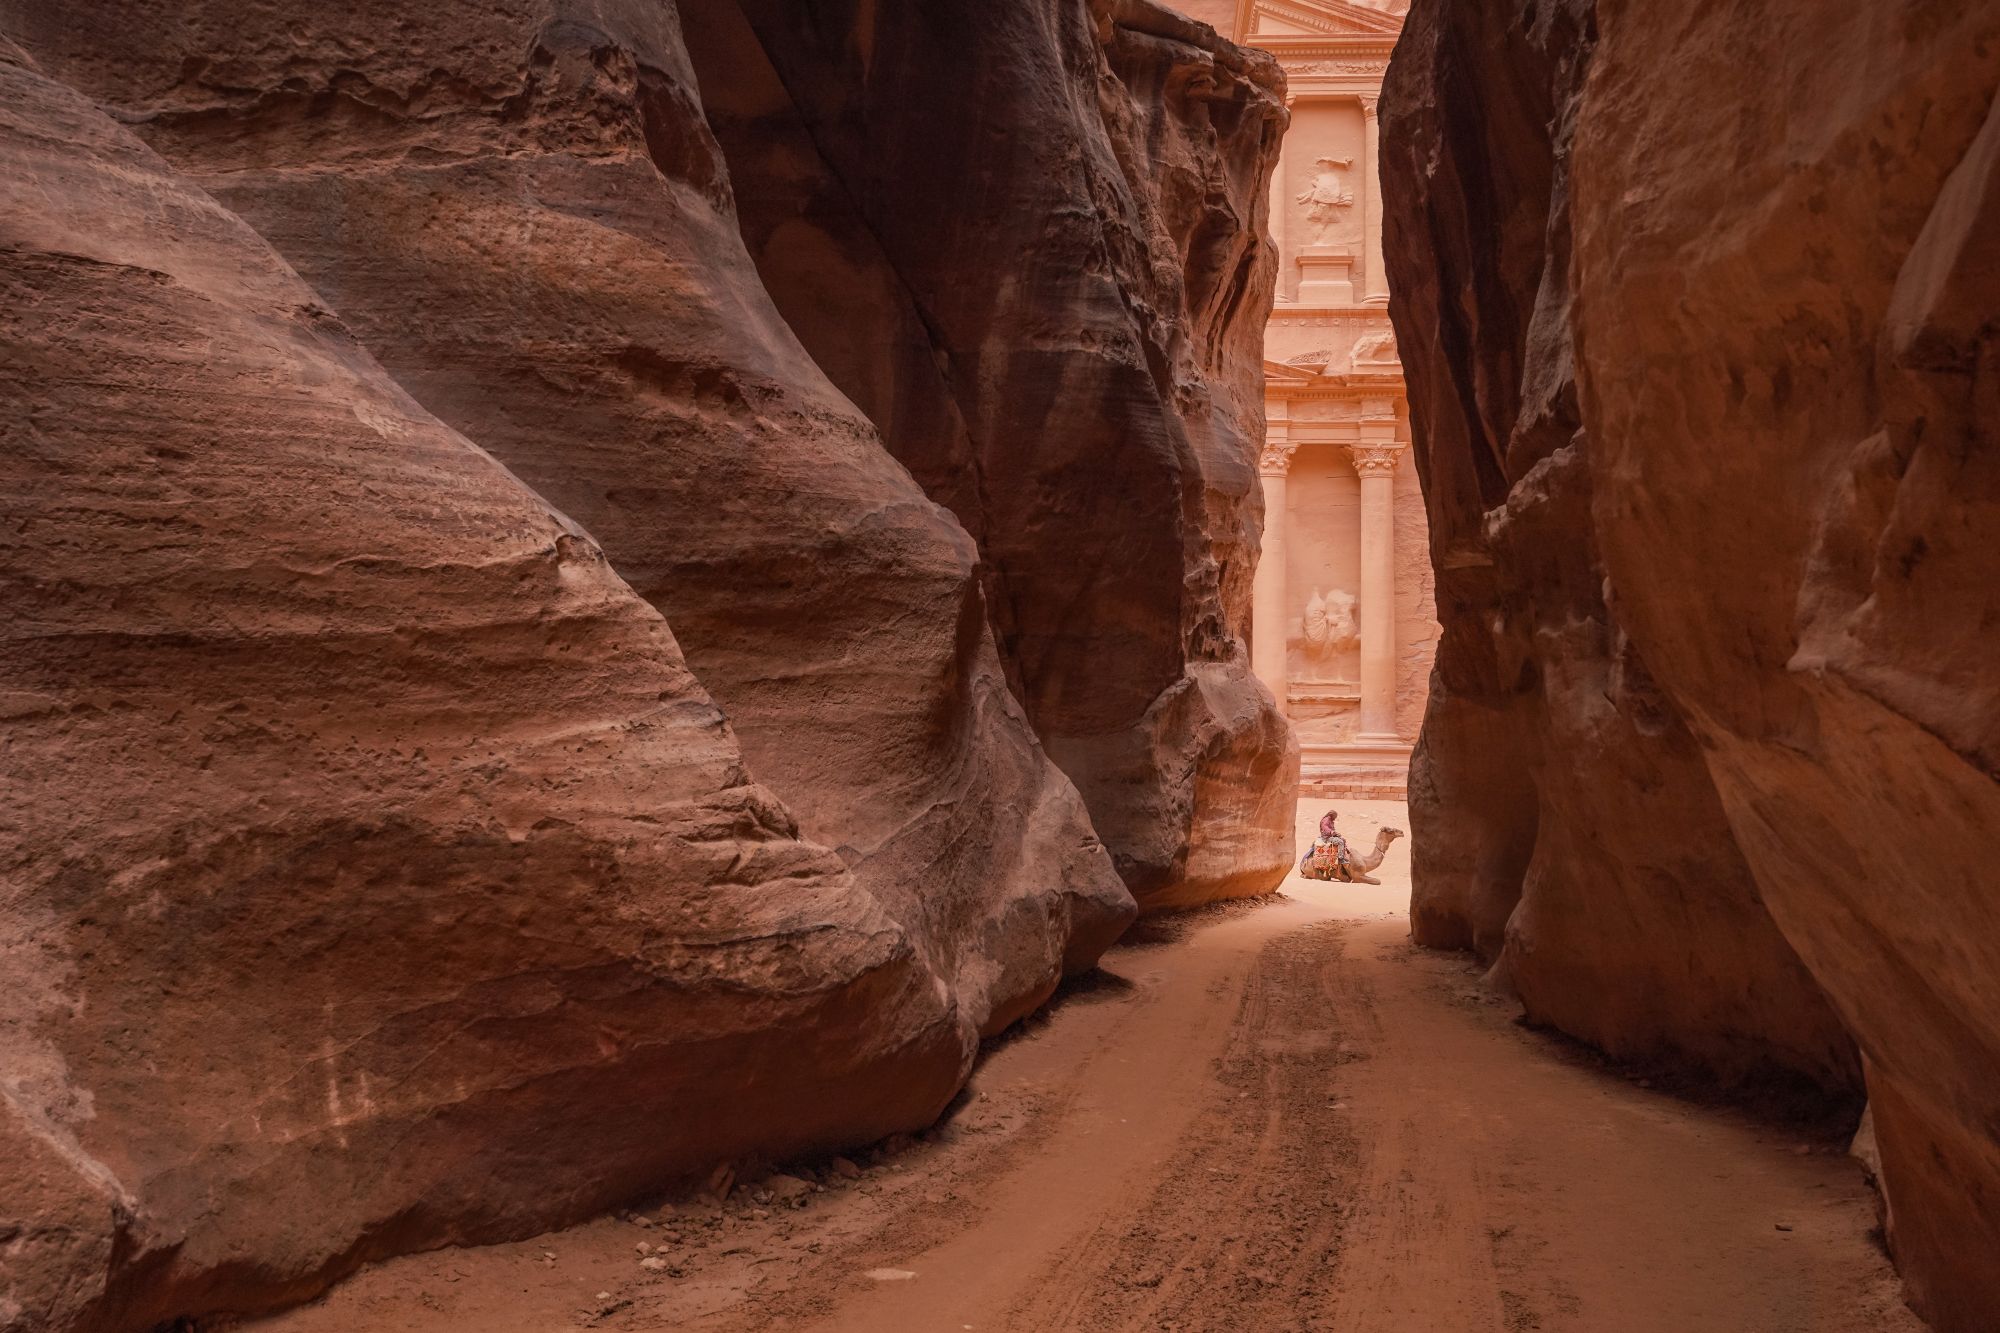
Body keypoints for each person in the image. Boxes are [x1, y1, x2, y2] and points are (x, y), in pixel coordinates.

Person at [1299, 809, 1356, 882]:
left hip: (1330, 836)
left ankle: (1341, 854)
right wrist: (1332, 832)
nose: (1335, 818)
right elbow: (1325, 828)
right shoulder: (1326, 820)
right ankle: (1341, 858)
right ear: (1332, 815)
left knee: (1342, 840)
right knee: (1340, 842)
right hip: (1326, 838)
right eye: (1335, 816)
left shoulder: (1331, 821)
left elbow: (1331, 829)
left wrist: (1336, 833)